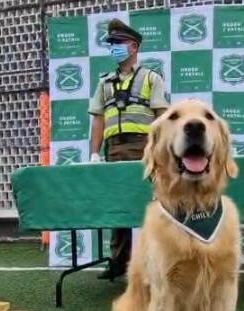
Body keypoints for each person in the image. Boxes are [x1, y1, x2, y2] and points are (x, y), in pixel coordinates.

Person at [88, 18, 169, 280]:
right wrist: (94, 153)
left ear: (133, 47)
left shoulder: (151, 78)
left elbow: (162, 116)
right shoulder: (105, 82)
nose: (114, 47)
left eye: (118, 43)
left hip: (143, 147)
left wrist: (158, 150)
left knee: (152, 206)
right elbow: (98, 119)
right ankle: (118, 262)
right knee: (118, 207)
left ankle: (155, 262)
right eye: (111, 43)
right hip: (114, 149)